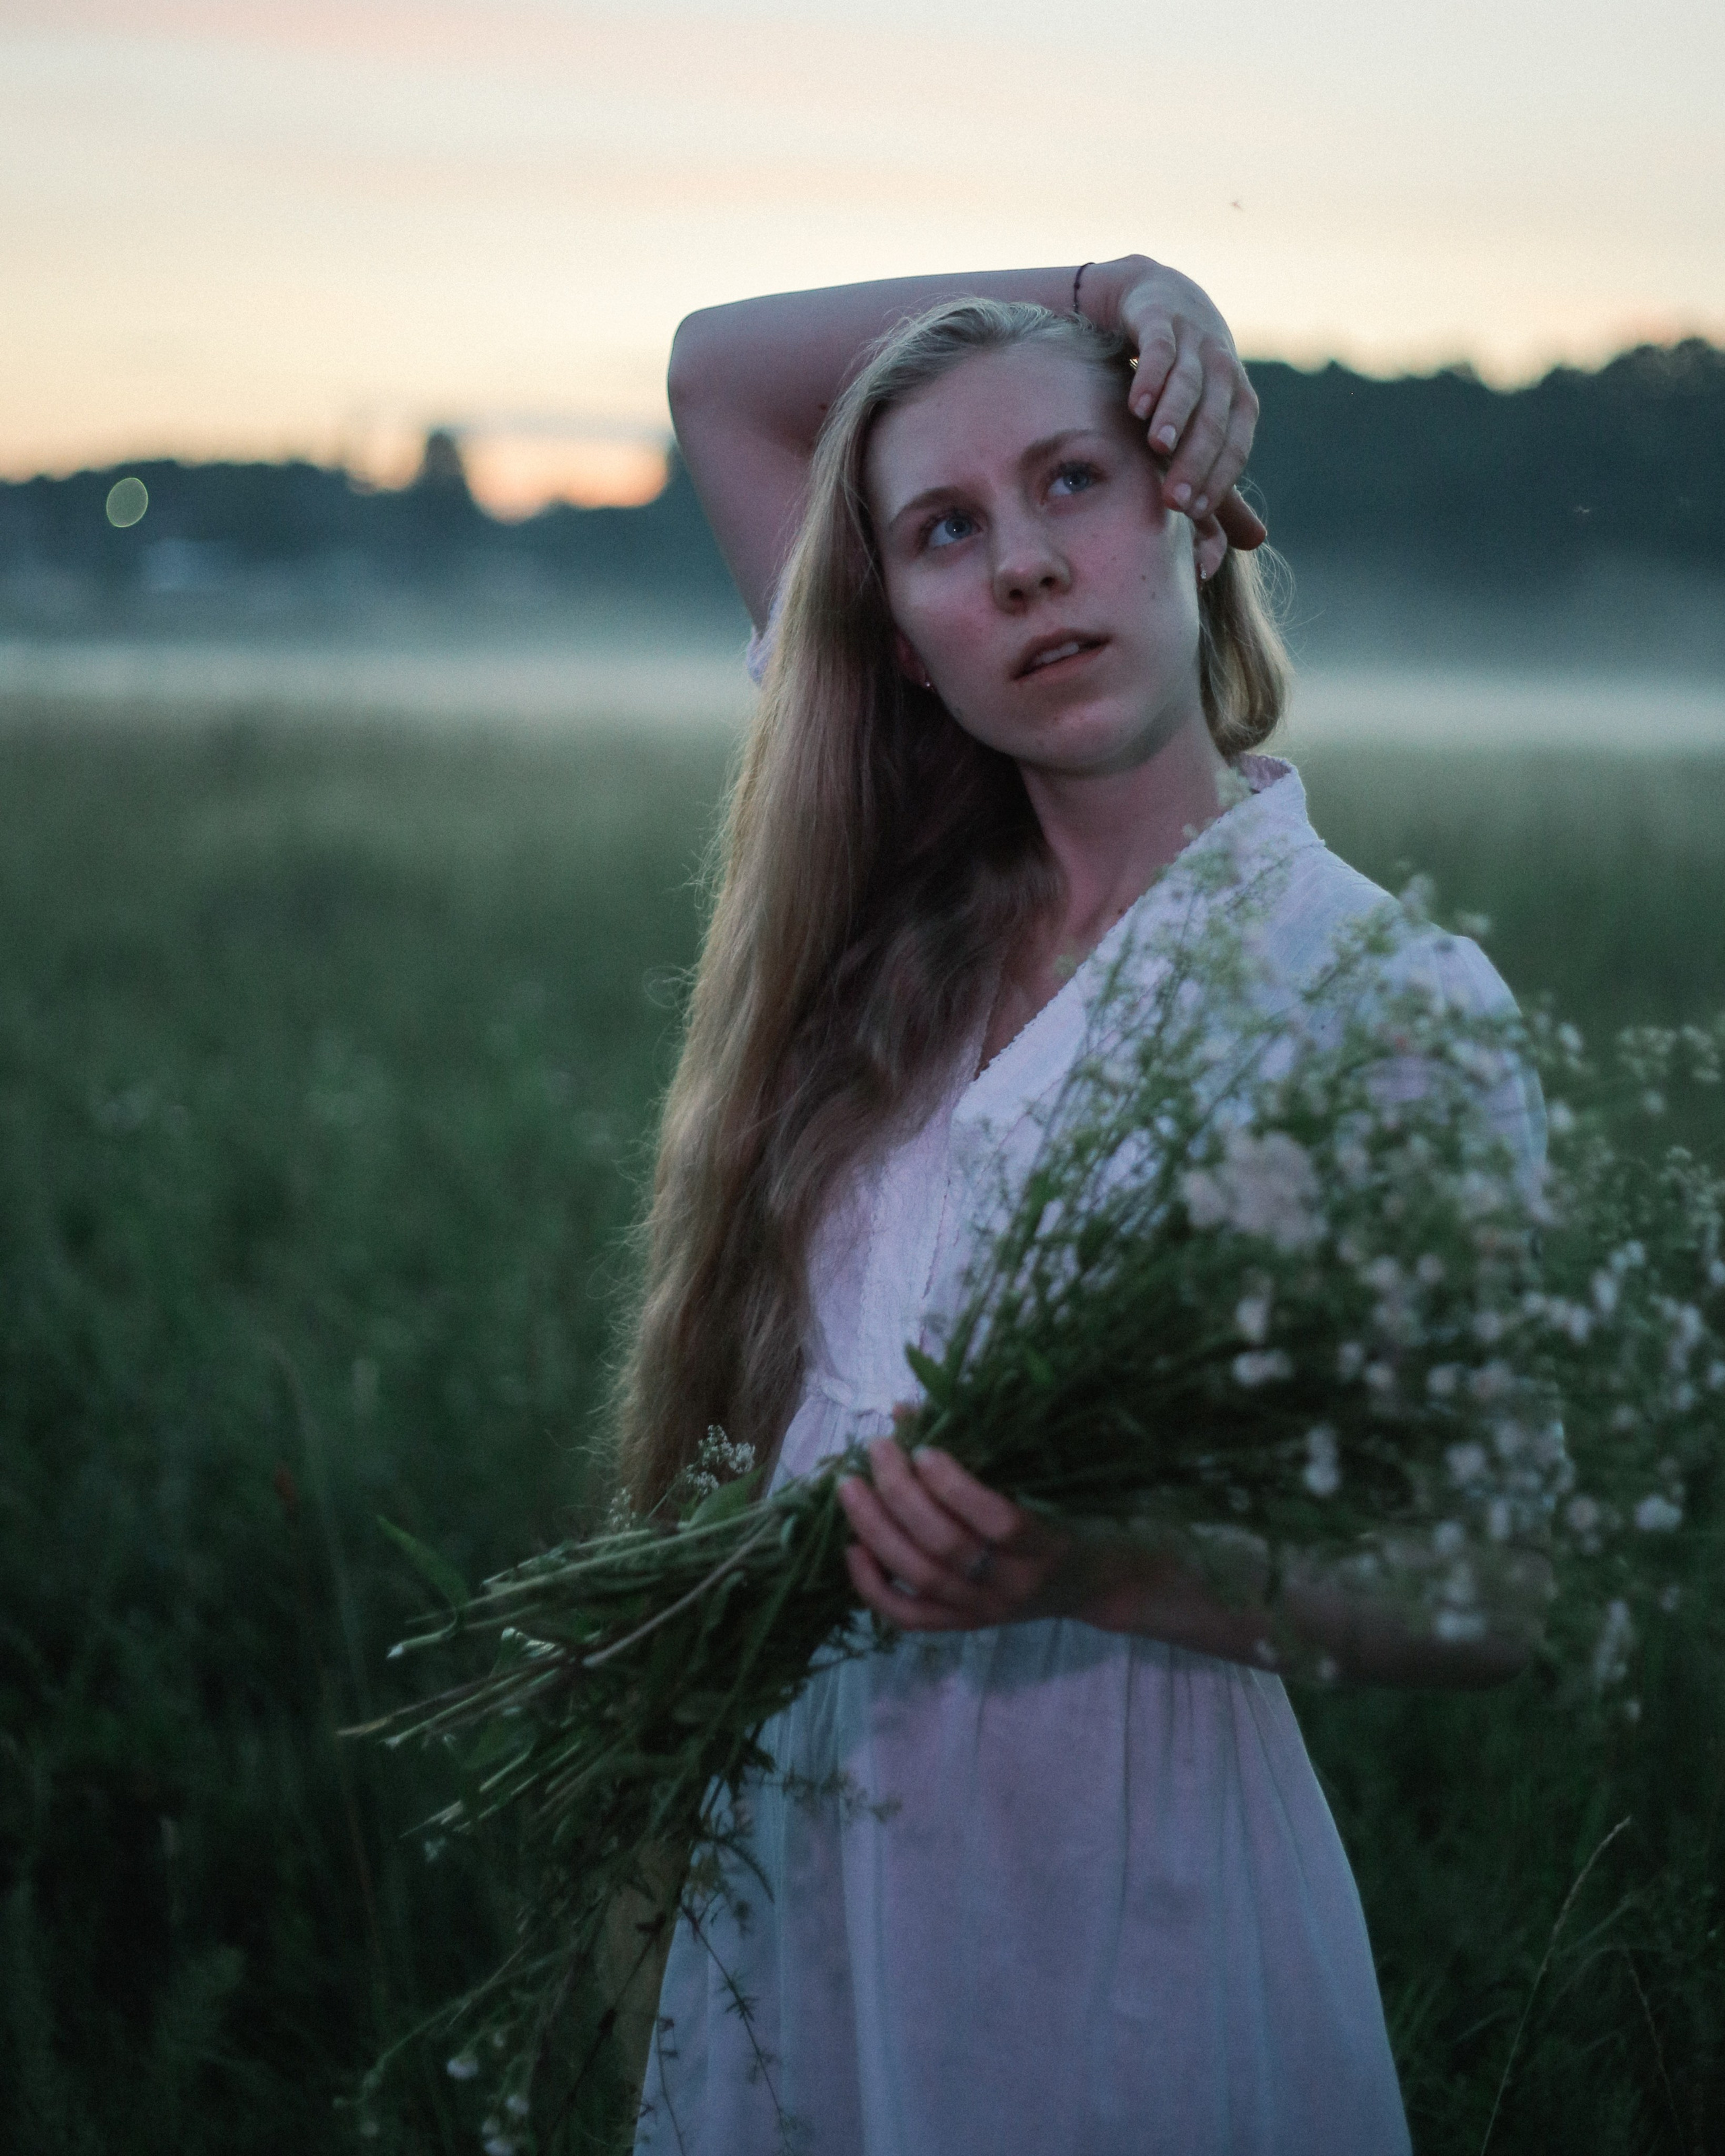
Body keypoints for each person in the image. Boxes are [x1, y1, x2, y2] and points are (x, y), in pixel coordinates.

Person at [615, 258, 1544, 2155]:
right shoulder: (894, 910)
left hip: (1120, 1909)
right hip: (801, 1885)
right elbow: (720, 374)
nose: (1026, 565)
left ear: (1194, 515)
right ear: (904, 639)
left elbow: (1490, 1588)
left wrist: (1092, 1568)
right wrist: (1110, 284)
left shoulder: (1376, 993)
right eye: (945, 533)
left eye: (1074, 479)